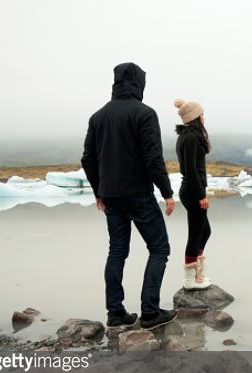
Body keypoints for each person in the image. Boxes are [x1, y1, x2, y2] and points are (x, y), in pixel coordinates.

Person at [81, 62, 177, 330]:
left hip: (111, 196)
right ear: (138, 83)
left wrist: (99, 190)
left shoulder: (97, 117)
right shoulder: (144, 114)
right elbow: (153, 158)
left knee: (117, 251)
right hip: (138, 195)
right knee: (159, 248)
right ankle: (150, 312)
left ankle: (115, 313)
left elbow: (88, 158)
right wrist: (167, 192)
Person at [174, 98, 214, 289]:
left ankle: (197, 274)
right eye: (202, 114)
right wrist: (201, 195)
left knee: (204, 231)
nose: (204, 117)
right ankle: (190, 280)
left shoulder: (189, 135)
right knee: (196, 233)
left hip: (191, 189)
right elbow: (191, 170)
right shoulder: (190, 137)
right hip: (192, 191)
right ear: (196, 117)